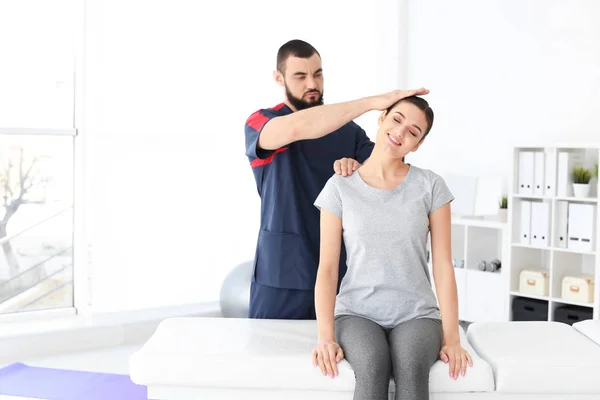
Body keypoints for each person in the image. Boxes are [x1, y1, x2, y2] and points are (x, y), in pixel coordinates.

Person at [244, 38, 427, 319]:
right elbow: (300, 127)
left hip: (343, 273)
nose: (312, 84)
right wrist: (371, 103)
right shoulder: (262, 122)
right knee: (270, 357)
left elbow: (390, 169)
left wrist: (360, 169)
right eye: (300, 76)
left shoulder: (349, 133)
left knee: (336, 361)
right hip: (282, 274)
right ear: (279, 78)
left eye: (318, 74)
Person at [311, 95, 472, 400]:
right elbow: (328, 268)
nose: (401, 132)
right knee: (372, 365)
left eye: (413, 131)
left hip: (417, 314)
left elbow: (443, 265)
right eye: (397, 119)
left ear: (418, 144)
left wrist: (452, 338)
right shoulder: (339, 186)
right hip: (356, 313)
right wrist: (324, 337)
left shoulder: (431, 186)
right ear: (382, 117)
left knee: (410, 366)